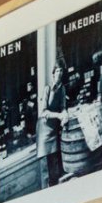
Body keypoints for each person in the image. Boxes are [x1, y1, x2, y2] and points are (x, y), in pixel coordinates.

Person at [37, 59, 68, 187]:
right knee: (45, 171)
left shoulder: (62, 88)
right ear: (53, 73)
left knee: (54, 168)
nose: (59, 73)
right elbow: (43, 112)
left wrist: (65, 114)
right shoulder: (47, 89)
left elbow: (63, 106)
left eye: (61, 71)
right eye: (57, 71)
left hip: (54, 131)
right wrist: (59, 115)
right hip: (44, 132)